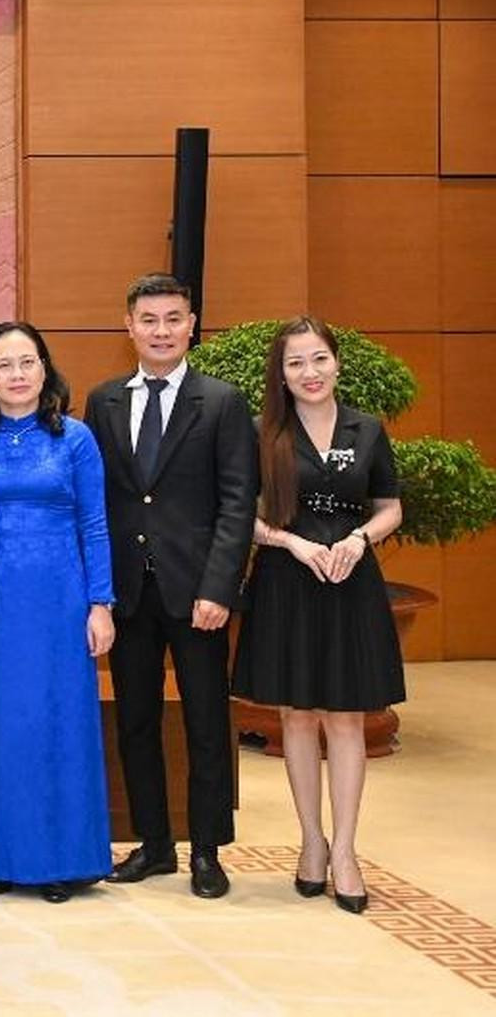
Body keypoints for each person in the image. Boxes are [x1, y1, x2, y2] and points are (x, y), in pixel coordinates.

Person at [86, 273, 258, 899]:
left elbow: (238, 502)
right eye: (148, 320)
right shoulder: (103, 401)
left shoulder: (221, 402)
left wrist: (219, 586)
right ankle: (154, 844)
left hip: (198, 595)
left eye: (173, 318)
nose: (161, 331)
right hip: (130, 593)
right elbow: (97, 502)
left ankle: (207, 849)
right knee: (135, 721)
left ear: (192, 324)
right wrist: (97, 592)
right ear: (128, 326)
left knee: (206, 721)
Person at [231, 316, 404, 914]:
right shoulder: (261, 433)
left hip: (351, 582)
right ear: (280, 373)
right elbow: (239, 516)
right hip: (287, 580)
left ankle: (348, 851)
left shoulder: (367, 428)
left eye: (318, 360)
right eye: (295, 363)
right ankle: (311, 841)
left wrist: (359, 539)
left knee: (348, 719)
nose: (309, 373)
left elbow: (390, 507)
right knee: (297, 718)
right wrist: (288, 543)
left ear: (336, 362)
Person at [0, 321, 116, 902]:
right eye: (4, 365)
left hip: (59, 602)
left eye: (28, 362)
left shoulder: (74, 439)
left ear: (45, 369)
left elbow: (95, 524)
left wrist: (101, 603)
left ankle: (60, 861)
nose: (17, 375)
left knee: (57, 724)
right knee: (0, 723)